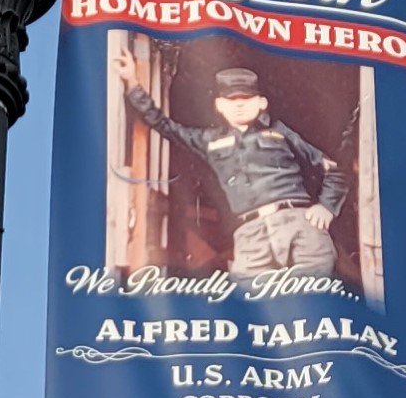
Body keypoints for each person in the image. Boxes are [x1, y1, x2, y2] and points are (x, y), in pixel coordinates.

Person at [114, 49, 347, 279]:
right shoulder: (209, 141)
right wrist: (133, 82)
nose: (239, 105)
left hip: (298, 224)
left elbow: (333, 170)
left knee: (314, 300)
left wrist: (326, 206)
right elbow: (164, 125)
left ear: (261, 103)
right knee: (251, 303)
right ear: (219, 105)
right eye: (231, 99)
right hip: (251, 234)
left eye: (246, 98)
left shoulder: (280, 132)